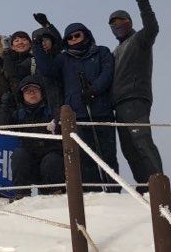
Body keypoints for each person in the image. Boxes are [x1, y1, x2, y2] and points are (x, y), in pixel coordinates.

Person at [33, 22, 119, 191]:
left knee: (107, 155)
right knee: (84, 158)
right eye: (70, 37)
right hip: (77, 115)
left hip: (102, 112)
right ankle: (93, 193)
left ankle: (113, 191)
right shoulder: (64, 58)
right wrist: (37, 46)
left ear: (86, 34)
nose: (74, 39)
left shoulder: (101, 52)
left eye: (77, 35)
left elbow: (107, 73)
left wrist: (94, 90)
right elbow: (47, 69)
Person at [109, 0, 163, 190]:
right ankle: (144, 185)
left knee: (141, 141)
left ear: (129, 22)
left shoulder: (140, 40)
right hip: (118, 104)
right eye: (113, 24)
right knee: (129, 149)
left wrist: (143, 2)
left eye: (121, 21)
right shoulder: (115, 52)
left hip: (135, 98)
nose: (117, 25)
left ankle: (158, 184)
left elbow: (152, 28)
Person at [10, 76, 64, 199]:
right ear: (22, 96)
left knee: (52, 161)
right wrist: (5, 108)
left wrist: (57, 122)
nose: (32, 93)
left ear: (42, 93)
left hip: (51, 154)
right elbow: (4, 129)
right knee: (18, 156)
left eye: (35, 90)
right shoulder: (18, 115)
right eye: (27, 91)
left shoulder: (52, 111)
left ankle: (54, 194)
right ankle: (21, 195)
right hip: (29, 157)